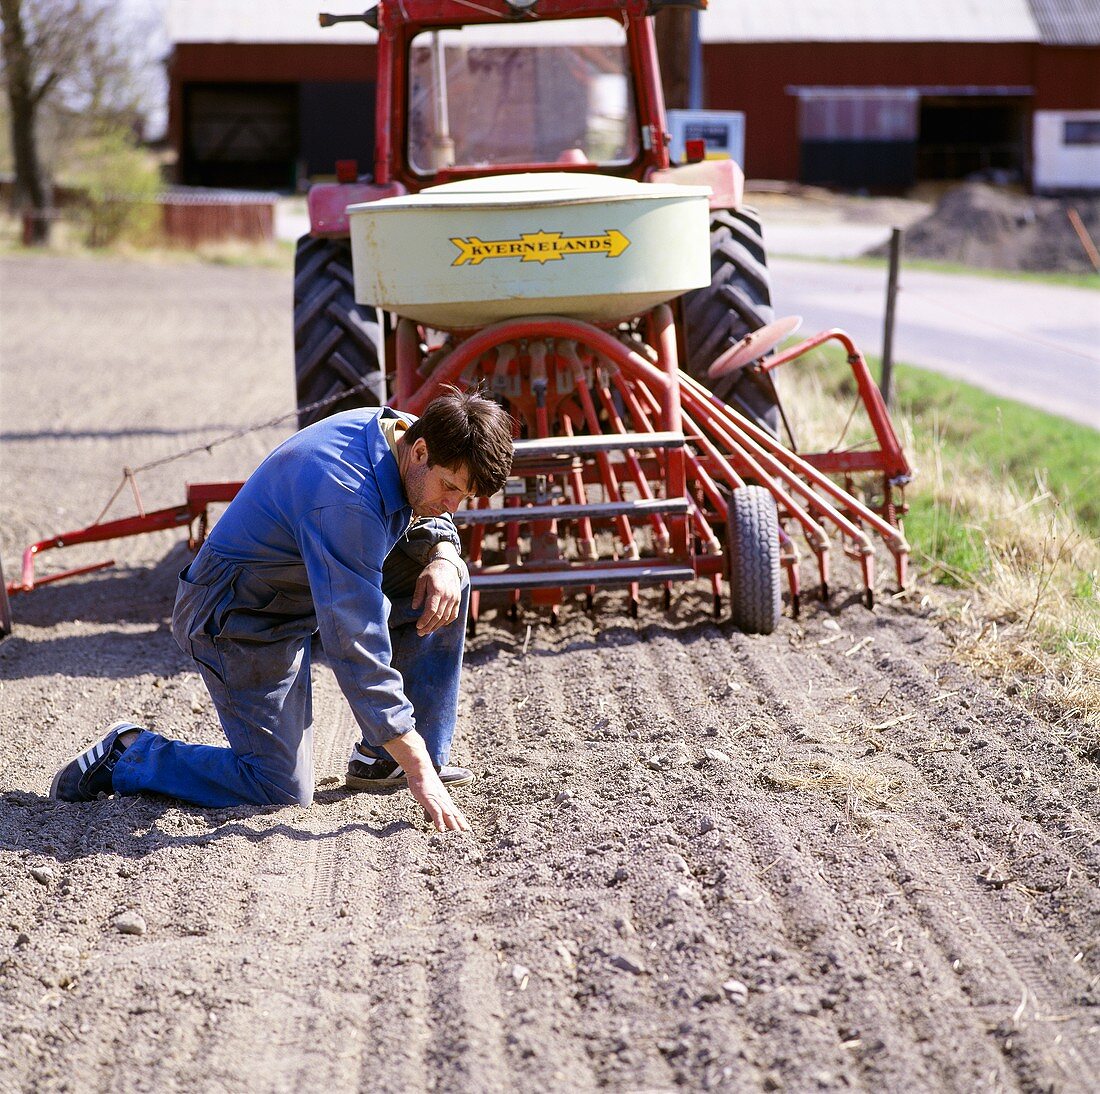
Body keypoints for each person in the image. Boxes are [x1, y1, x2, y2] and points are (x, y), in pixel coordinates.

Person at [49, 388, 514, 832]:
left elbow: (432, 523)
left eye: (464, 497)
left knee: (442, 577)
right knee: (278, 788)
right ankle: (128, 754)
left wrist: (446, 555)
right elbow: (355, 643)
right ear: (419, 453)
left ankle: (385, 760)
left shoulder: (407, 432)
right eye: (449, 487)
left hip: (299, 588)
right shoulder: (345, 498)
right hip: (238, 613)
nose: (451, 506)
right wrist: (418, 762)